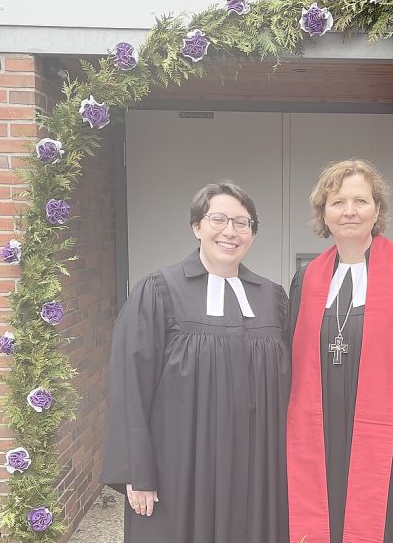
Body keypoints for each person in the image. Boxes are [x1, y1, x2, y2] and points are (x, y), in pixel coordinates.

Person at [101, 182, 290, 543]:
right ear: (196, 226)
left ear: (252, 233)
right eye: (217, 219)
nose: (230, 232)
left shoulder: (272, 298)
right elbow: (130, 386)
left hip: (257, 472)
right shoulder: (158, 291)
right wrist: (137, 472)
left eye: (242, 222)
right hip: (181, 469)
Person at [287, 159, 393, 543]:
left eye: (360, 200)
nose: (349, 211)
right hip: (321, 442)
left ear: (377, 209)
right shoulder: (306, 278)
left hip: (390, 444)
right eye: (337, 202)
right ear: (324, 213)